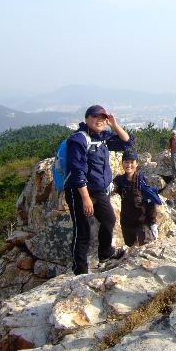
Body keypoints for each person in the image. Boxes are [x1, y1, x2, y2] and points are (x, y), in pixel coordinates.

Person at [66, 105, 134, 275]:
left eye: (103, 117)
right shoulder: (79, 139)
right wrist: (85, 198)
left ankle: (105, 252)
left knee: (109, 219)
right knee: (82, 230)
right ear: (87, 118)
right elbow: (77, 171)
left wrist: (114, 125)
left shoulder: (102, 137)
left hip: (98, 190)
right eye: (95, 117)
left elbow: (127, 142)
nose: (100, 120)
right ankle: (80, 270)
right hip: (78, 191)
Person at [113, 150, 162, 246]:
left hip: (141, 223)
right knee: (130, 249)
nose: (129, 165)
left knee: (142, 248)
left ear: (137, 164)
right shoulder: (119, 180)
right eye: (126, 162)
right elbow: (111, 190)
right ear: (122, 163)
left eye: (132, 162)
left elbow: (150, 202)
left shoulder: (142, 181)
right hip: (126, 224)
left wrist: (153, 223)